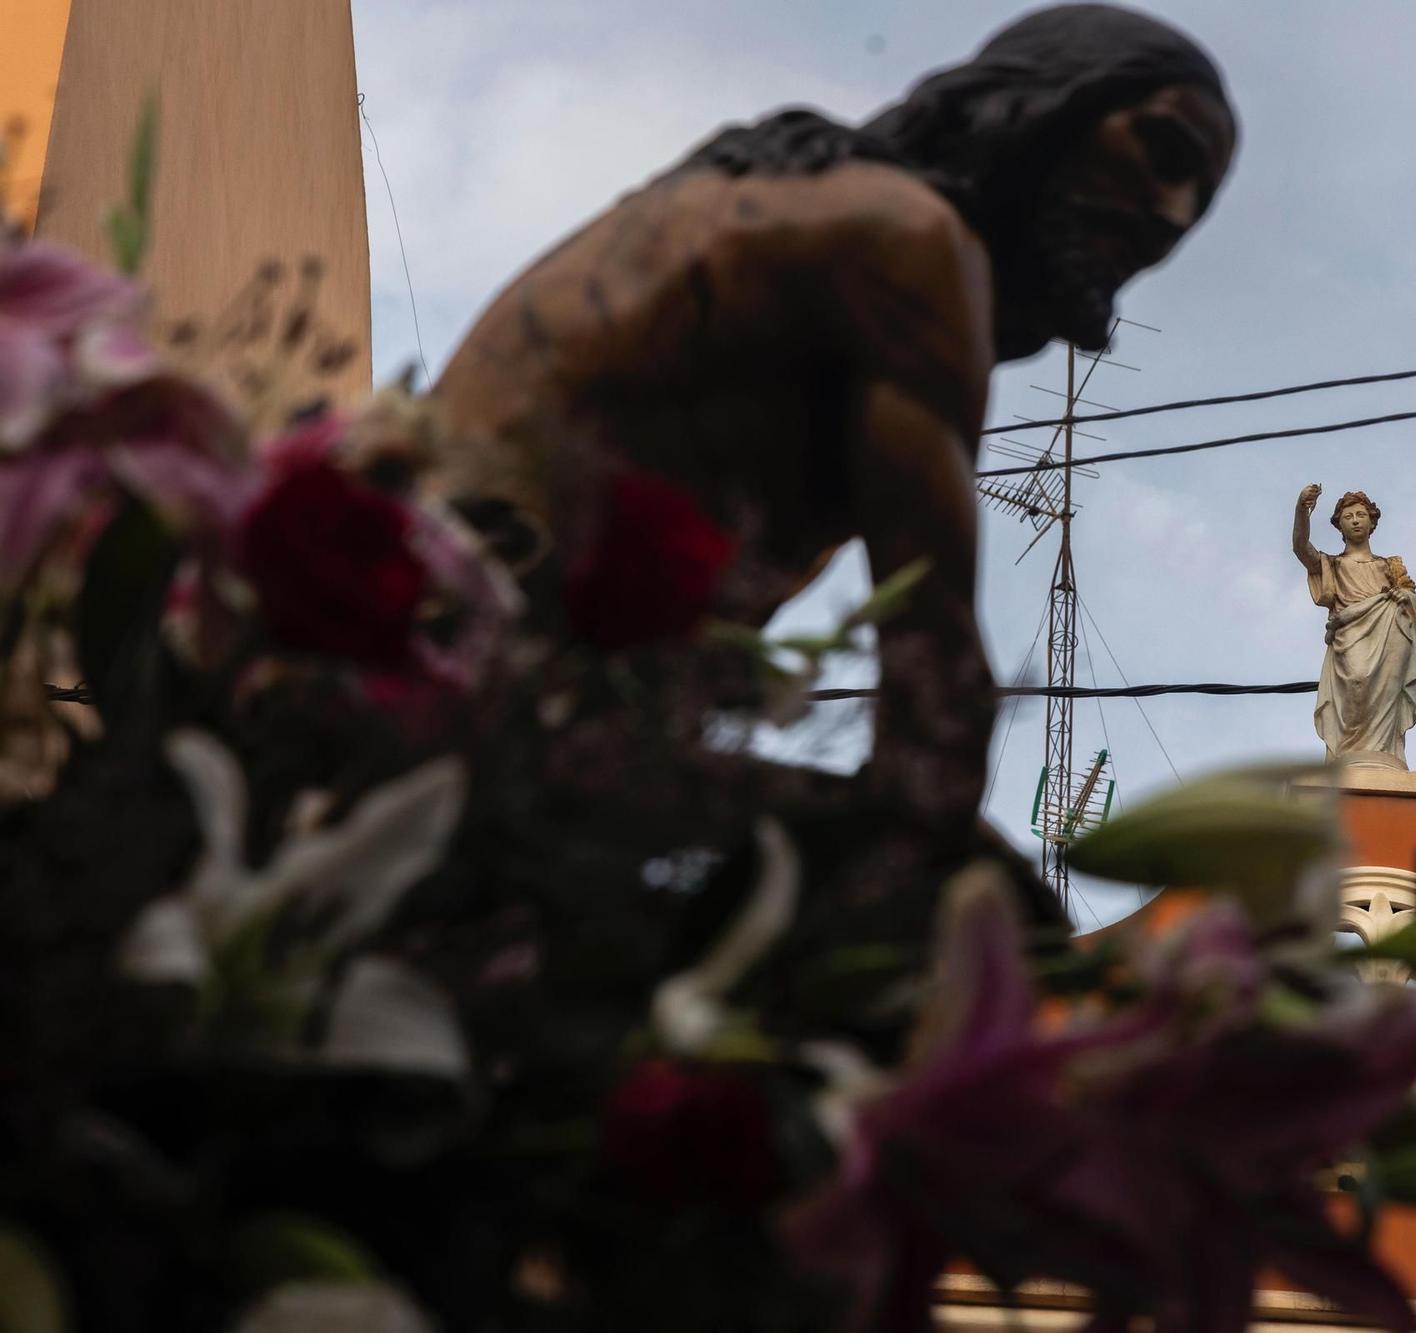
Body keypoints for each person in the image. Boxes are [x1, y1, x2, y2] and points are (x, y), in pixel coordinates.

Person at [426, 5, 1236, 851]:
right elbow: (934, 694)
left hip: (451, 687)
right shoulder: (908, 244)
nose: (1170, 215)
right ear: (1043, 107)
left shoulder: (779, 200)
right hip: (455, 707)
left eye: (1198, 202)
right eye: (1162, 150)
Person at [1292, 484, 1416, 768]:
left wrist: (1404, 598)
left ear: (1372, 521)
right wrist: (1301, 511)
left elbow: (1413, 605)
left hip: (1389, 631)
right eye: (1348, 516)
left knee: (1387, 691)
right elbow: (1301, 549)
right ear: (1339, 525)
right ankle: (1349, 753)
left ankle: (1383, 752)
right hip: (1349, 635)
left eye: (1361, 514)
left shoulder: (1390, 566)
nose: (1355, 520)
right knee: (1357, 679)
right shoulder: (1333, 565)